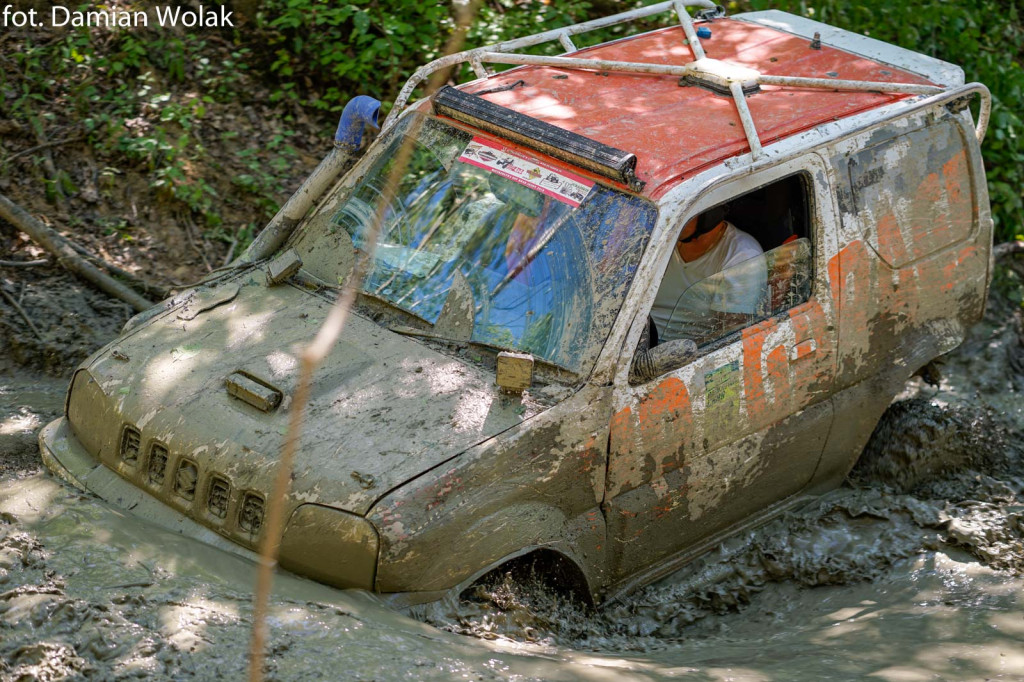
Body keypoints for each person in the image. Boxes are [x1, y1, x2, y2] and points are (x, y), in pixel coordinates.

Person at [650, 206, 767, 345]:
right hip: (637, 337)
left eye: (685, 213)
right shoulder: (660, 237)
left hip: (683, 353)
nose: (673, 218)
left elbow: (729, 336)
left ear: (709, 216)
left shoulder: (742, 257)